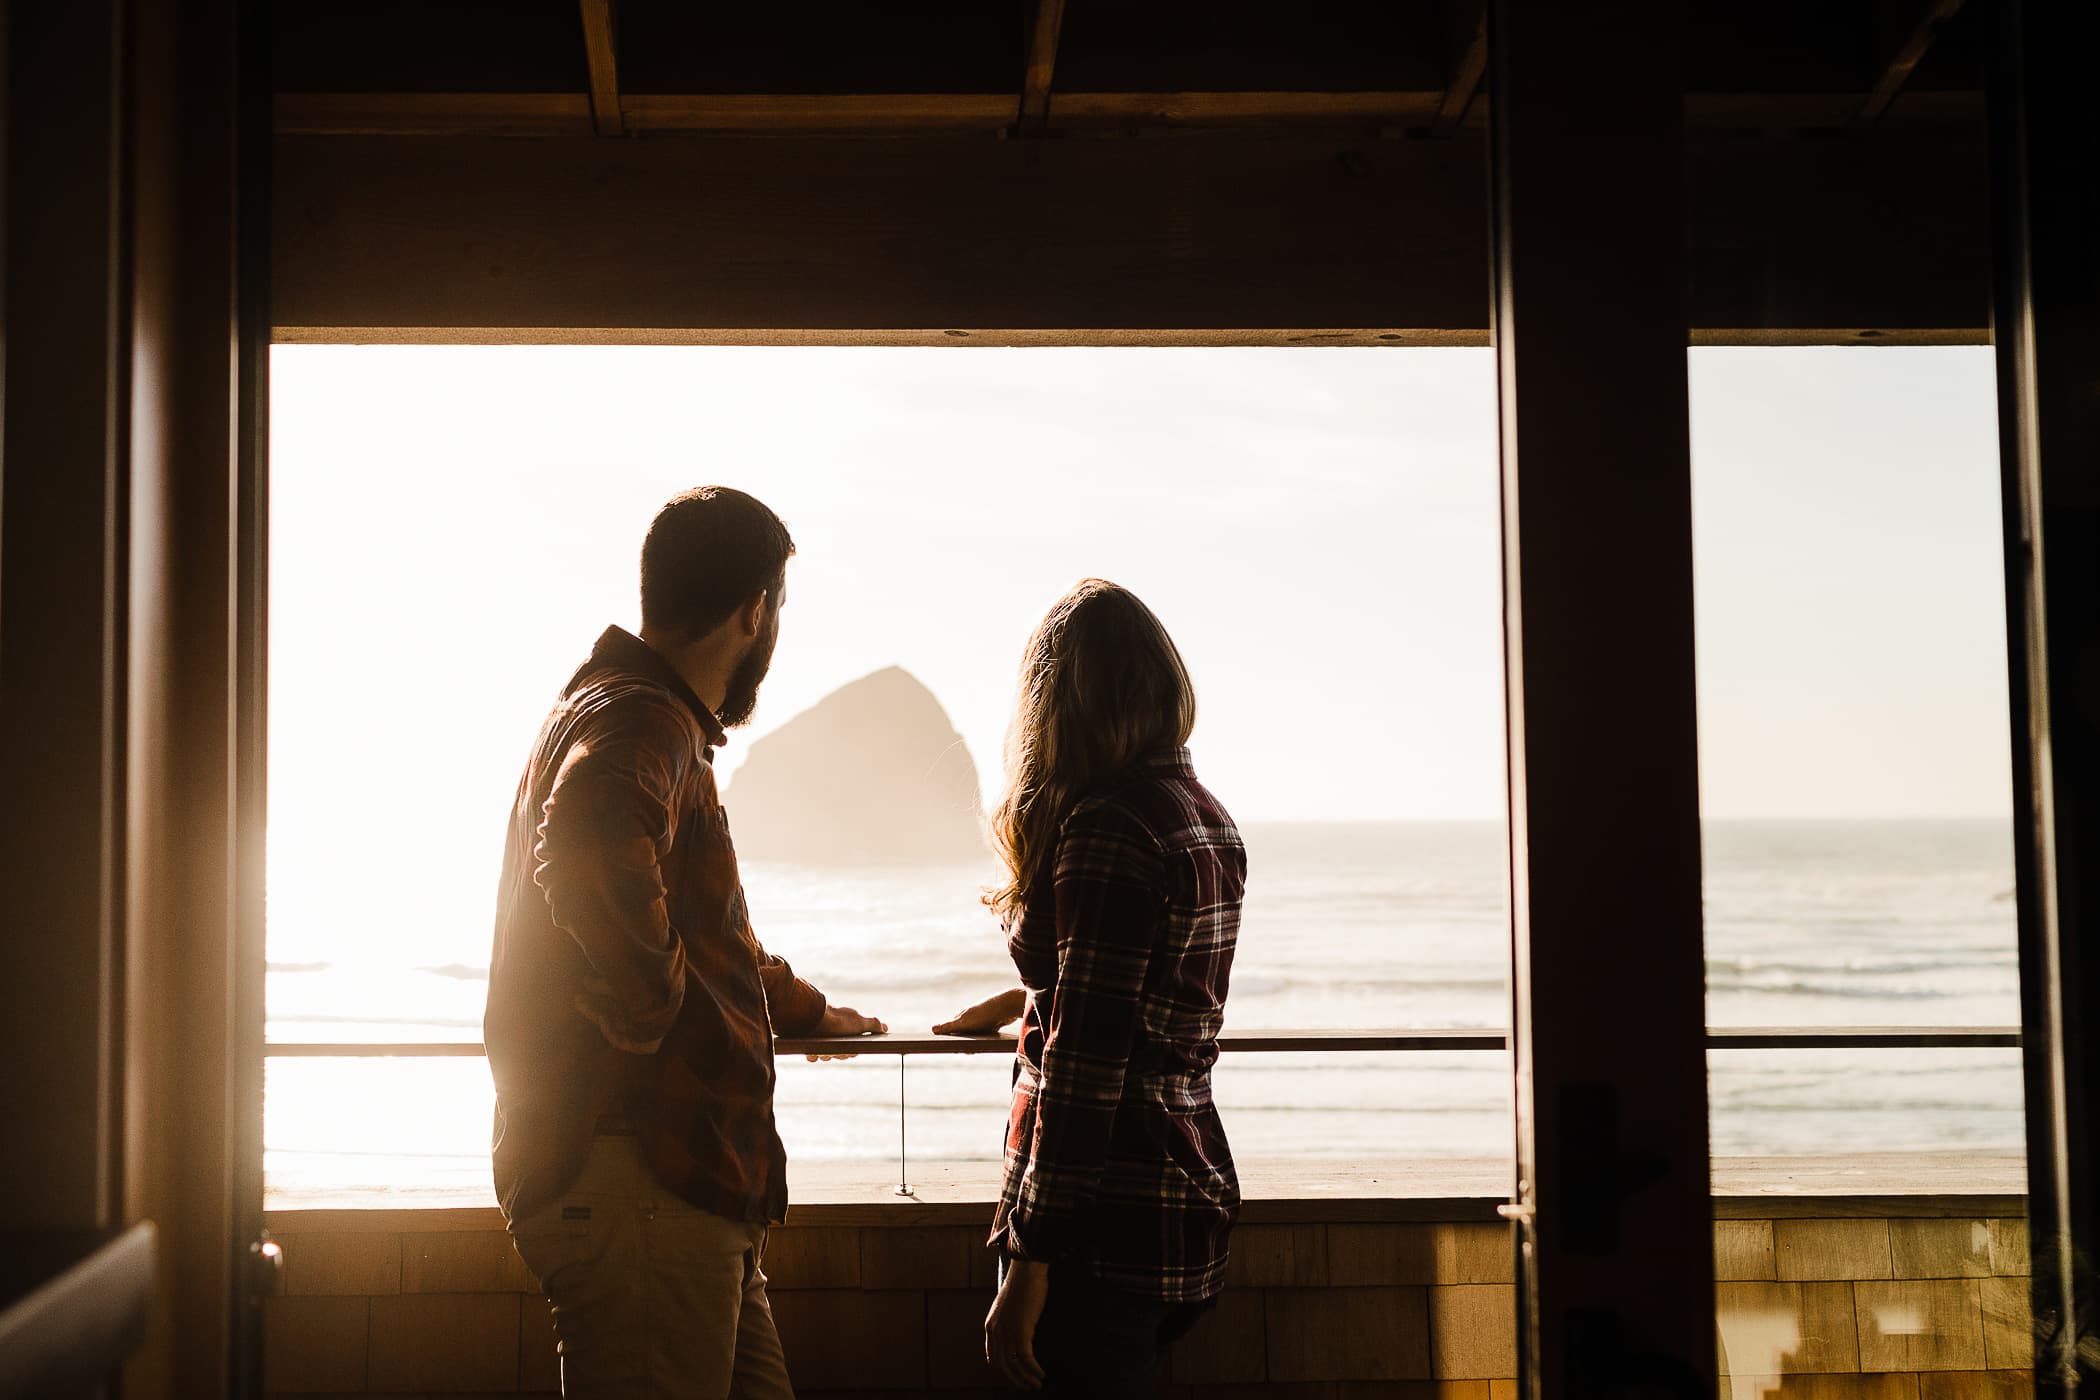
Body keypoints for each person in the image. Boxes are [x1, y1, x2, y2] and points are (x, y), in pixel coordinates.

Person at [485, 486, 885, 1399]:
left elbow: (706, 933)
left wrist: (806, 1011)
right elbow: (590, 831)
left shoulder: (610, 707)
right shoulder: (641, 718)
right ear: (756, 611)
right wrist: (648, 1001)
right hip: (642, 1175)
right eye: (777, 613)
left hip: (676, 1187)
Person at [951, 579, 1247, 1396]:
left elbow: (1085, 1076)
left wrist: (1031, 1262)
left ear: (1059, 704)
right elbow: (1151, 992)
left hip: (1101, 1233)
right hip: (1178, 1198)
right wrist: (1034, 999)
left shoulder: (1108, 829)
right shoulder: (1202, 815)